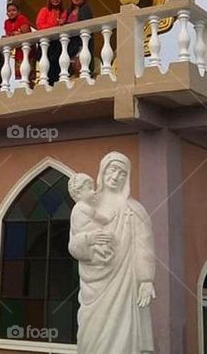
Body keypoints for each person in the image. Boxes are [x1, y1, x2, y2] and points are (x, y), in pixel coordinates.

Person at [68, 152, 155, 354]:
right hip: (95, 284)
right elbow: (74, 246)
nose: (116, 176)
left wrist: (146, 279)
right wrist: (89, 240)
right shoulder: (87, 206)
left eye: (122, 173)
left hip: (126, 284)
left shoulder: (135, 210)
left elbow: (144, 246)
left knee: (124, 332)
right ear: (103, 171)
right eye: (112, 170)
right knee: (92, 335)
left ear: (127, 178)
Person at [35, 0, 66, 82]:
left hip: (57, 43)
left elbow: (64, 24)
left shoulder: (63, 12)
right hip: (46, 42)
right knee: (46, 66)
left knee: (57, 66)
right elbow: (39, 25)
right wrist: (55, 24)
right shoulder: (44, 10)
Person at [65, 0, 94, 76]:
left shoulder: (85, 9)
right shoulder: (69, 11)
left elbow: (84, 25)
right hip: (70, 44)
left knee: (80, 67)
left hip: (81, 43)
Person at [3, 2, 32, 83]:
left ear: (18, 12)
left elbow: (25, 32)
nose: (11, 12)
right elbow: (9, 35)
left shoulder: (22, 18)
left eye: (13, 10)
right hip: (18, 49)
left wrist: (15, 34)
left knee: (28, 72)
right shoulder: (7, 22)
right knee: (22, 73)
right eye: (9, 11)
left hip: (28, 48)